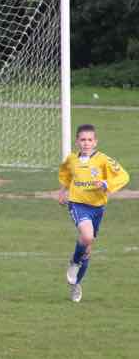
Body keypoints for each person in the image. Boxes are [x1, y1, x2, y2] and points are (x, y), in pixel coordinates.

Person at [58, 124, 129, 303]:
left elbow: (123, 176)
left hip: (97, 207)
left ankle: (76, 284)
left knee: (87, 250)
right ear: (77, 141)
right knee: (87, 236)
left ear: (95, 142)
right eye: (83, 140)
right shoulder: (71, 159)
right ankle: (74, 262)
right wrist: (63, 190)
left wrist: (105, 184)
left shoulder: (103, 160)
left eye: (90, 140)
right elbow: (66, 174)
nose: (86, 143)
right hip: (77, 204)